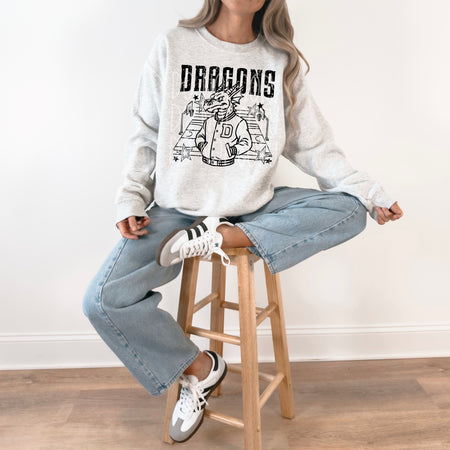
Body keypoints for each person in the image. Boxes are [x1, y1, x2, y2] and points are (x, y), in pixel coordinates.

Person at [83, 0, 404, 443]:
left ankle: (223, 237)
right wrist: (131, 198)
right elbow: (146, 130)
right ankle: (199, 368)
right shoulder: (174, 44)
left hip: (253, 207)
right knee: (103, 300)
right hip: (179, 211)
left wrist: (370, 193)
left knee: (350, 210)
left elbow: (314, 147)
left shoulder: (279, 58)